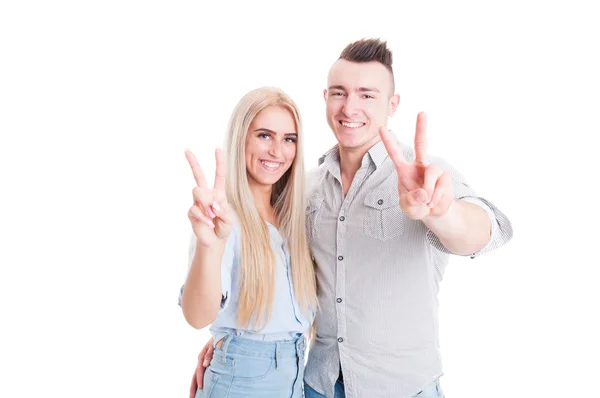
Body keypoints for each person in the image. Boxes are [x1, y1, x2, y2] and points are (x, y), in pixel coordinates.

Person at [190, 39, 513, 398]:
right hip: (317, 385)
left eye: (367, 95)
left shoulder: (422, 177)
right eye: (340, 93)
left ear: (393, 105)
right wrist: (233, 346)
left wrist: (443, 213)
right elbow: (273, 270)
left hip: (401, 388)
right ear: (326, 98)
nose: (350, 107)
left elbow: (487, 231)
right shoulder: (305, 191)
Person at [178, 87, 318, 398]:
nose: (277, 151)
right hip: (242, 383)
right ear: (241, 138)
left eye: (288, 139)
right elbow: (198, 316)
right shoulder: (224, 220)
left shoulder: (293, 218)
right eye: (264, 136)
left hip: (294, 377)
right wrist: (209, 246)